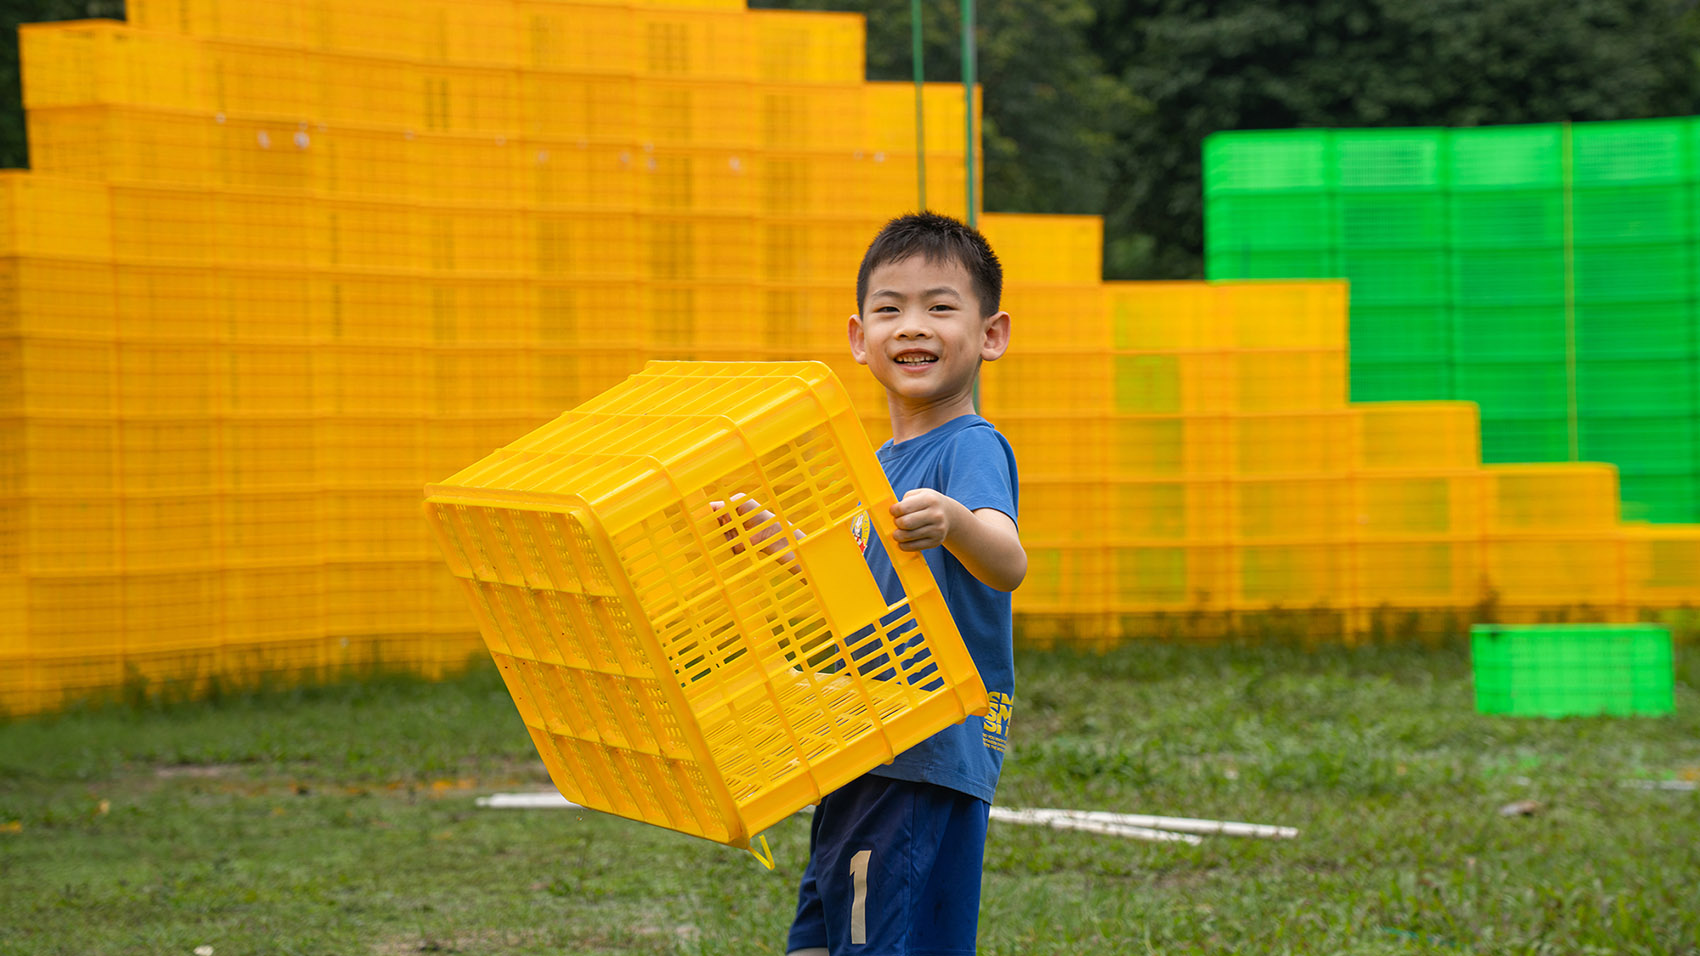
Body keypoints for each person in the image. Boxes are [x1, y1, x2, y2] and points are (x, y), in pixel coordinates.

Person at [785, 211, 1025, 956]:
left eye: (940, 307)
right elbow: (867, 591)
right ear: (859, 338)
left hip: (923, 753)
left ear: (991, 335)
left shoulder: (971, 446)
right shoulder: (880, 464)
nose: (912, 326)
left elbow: (1008, 560)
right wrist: (787, 548)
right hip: (864, 741)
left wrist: (956, 521)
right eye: (890, 308)